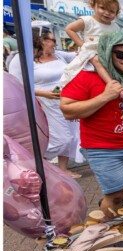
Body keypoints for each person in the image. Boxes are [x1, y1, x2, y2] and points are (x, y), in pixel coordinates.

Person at [60, 31, 123, 217]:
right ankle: (110, 231)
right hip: (103, 148)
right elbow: (67, 110)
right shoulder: (87, 76)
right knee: (114, 195)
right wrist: (105, 96)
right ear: (108, 54)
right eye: (121, 54)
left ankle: (110, 202)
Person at [9, 26, 83, 178]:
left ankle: (63, 169)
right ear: (41, 41)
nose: (55, 44)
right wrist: (43, 93)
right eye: (52, 40)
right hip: (44, 103)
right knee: (62, 138)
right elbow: (16, 85)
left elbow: (77, 56)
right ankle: (34, 160)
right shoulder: (21, 58)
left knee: (72, 136)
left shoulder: (58, 55)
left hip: (65, 99)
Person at [62, 0, 123, 101]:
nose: (107, 13)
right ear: (93, 5)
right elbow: (69, 29)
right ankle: (113, 85)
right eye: (102, 8)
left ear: (116, 13)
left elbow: (122, 39)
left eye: (112, 11)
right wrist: (82, 45)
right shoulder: (87, 20)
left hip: (109, 51)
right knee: (97, 61)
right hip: (92, 50)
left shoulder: (115, 26)